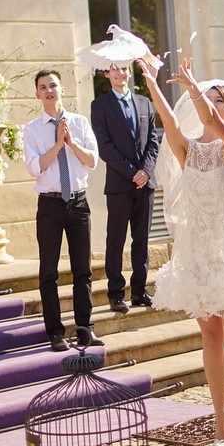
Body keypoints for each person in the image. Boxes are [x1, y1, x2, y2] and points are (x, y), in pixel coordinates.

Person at [138, 57, 224, 446]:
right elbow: (169, 122)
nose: (213, 106)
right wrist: (152, 84)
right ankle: (220, 418)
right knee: (211, 338)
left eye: (221, 100)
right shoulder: (189, 151)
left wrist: (196, 88)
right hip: (199, 256)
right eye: (208, 99)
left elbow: (215, 123)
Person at [23, 69, 100, 352]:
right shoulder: (31, 129)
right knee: (49, 272)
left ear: (61, 89)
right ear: (37, 94)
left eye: (53, 85)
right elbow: (35, 167)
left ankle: (85, 329)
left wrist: (71, 143)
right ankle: (55, 332)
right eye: (43, 87)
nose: (49, 91)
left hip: (78, 203)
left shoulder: (79, 123)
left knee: (83, 270)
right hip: (50, 205)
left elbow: (92, 160)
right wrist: (57, 145)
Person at [91, 62, 159, 312]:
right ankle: (116, 293)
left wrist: (146, 172)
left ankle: (140, 291)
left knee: (141, 240)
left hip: (146, 184)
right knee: (116, 240)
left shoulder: (144, 103)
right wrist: (133, 173)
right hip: (120, 185)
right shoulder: (99, 106)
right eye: (114, 69)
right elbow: (105, 147)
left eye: (124, 68)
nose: (121, 73)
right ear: (106, 73)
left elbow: (153, 141)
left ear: (130, 72)